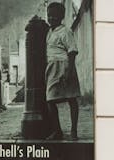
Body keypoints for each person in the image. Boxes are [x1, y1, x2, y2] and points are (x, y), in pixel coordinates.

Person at [44, 2, 80, 140]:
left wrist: (69, 71)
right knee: (50, 100)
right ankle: (57, 131)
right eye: (49, 16)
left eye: (54, 16)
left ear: (61, 17)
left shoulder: (66, 31)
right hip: (52, 68)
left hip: (65, 66)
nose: (51, 19)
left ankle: (74, 131)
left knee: (71, 98)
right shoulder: (49, 32)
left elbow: (72, 51)